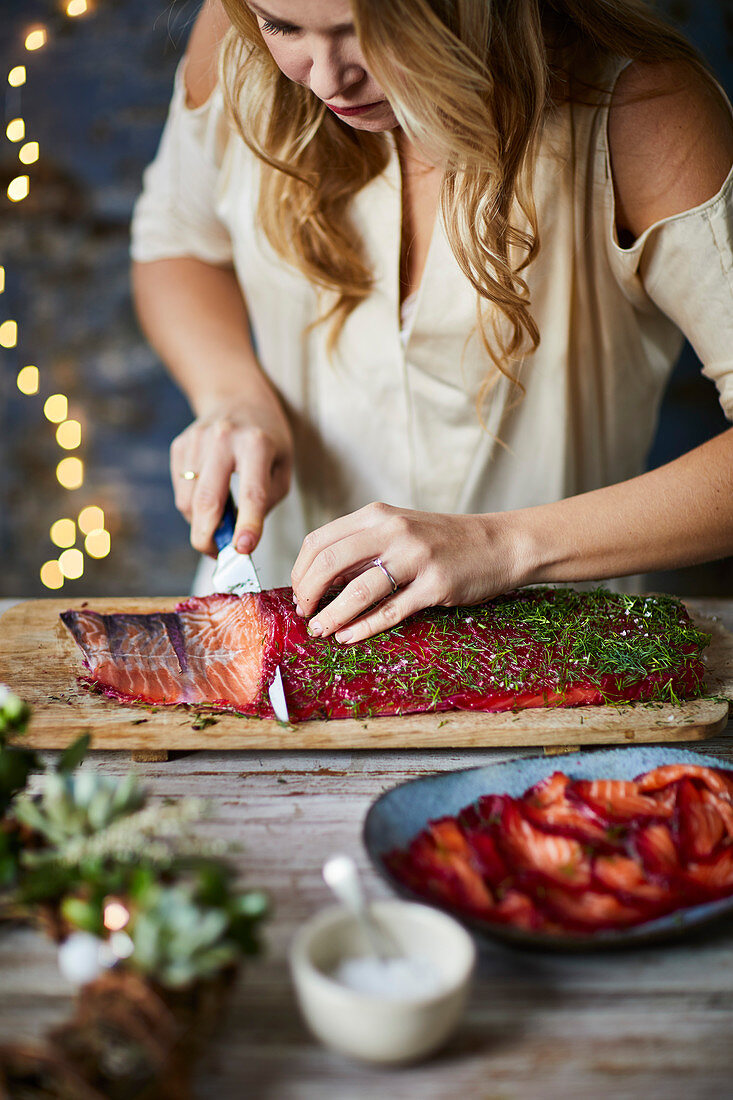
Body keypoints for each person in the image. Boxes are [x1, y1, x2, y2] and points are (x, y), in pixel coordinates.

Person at [131, 0, 733, 647]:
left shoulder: (644, 112)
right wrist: (235, 398)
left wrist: (500, 546)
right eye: (284, 27)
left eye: (367, 33)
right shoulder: (233, 36)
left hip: (552, 659)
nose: (328, 78)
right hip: (266, 641)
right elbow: (176, 245)